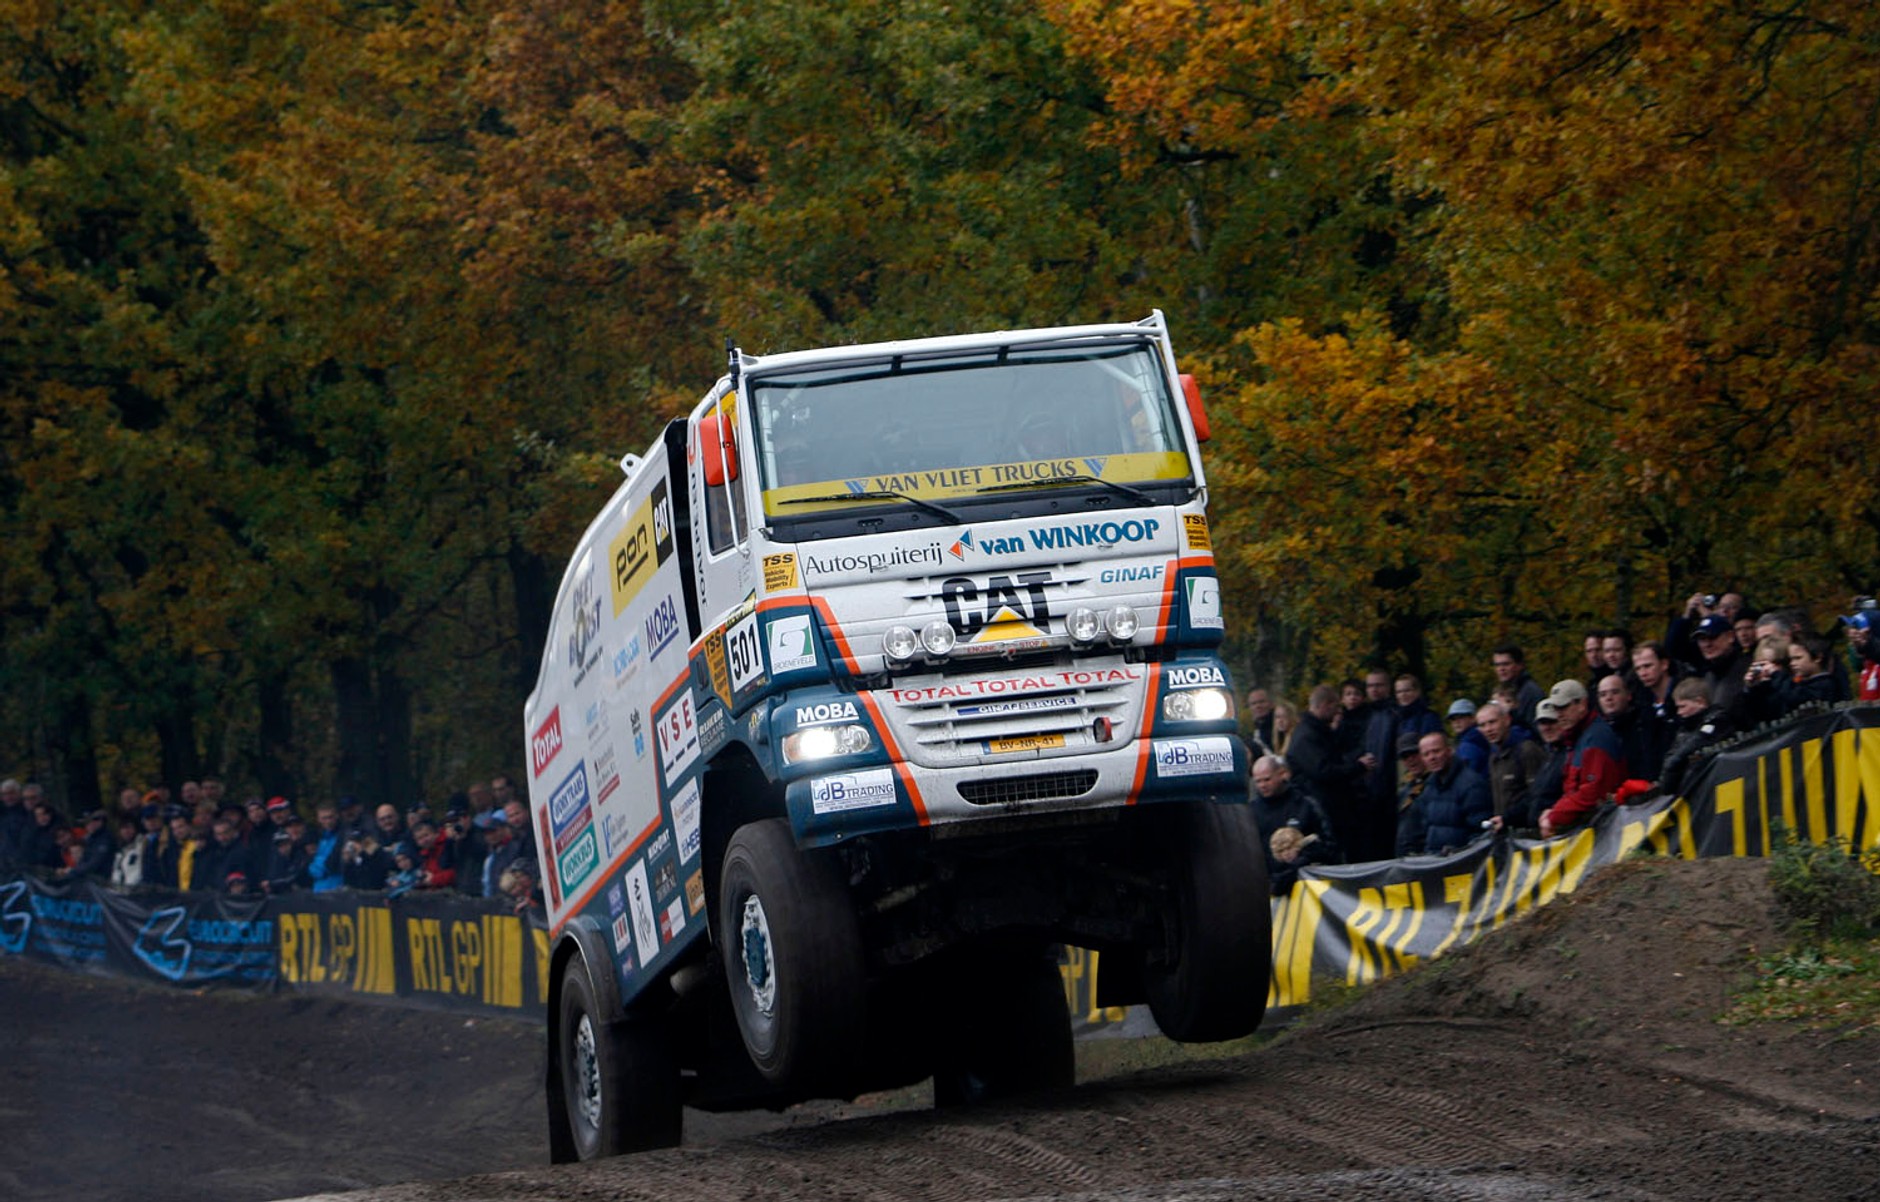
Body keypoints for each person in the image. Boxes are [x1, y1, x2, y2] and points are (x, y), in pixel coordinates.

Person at [1537, 680, 1628, 838]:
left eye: (1564, 707)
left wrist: (1554, 815)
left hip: (1606, 832)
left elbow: (1593, 793)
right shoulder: (1578, 738)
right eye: (1556, 709)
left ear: (1582, 704)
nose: (1559, 714)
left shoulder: (1596, 738)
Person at [1286, 685, 1368, 854]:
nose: (1338, 711)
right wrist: (1358, 767)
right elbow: (1323, 771)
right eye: (1336, 706)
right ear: (1324, 704)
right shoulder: (1307, 736)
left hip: (1329, 805)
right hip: (1322, 807)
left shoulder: (1317, 732)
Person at [1248, 755, 1342, 893]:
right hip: (1267, 888)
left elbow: (1330, 847)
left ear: (1282, 774)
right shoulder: (1251, 812)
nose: (1262, 785)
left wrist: (1302, 857)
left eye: (1267, 779)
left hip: (1305, 888)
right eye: (1258, 781)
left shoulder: (1305, 805)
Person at [1398, 732, 1493, 857]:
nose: (1432, 757)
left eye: (1436, 751)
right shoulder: (1429, 787)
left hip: (1463, 864)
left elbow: (1481, 834)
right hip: (1433, 863)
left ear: (1449, 751)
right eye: (1426, 754)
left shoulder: (1472, 785)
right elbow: (1422, 829)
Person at [1477, 701, 1548, 829]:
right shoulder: (1494, 757)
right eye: (1482, 725)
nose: (1488, 729)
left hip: (1529, 831)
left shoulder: (1527, 750)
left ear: (1507, 720)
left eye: (1492, 722)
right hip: (1506, 831)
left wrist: (1509, 818)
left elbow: (1538, 794)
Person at [1489, 644, 1545, 732]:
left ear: (1520, 665)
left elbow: (1536, 730)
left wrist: (1509, 712)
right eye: (1497, 665)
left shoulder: (1531, 692)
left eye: (1506, 664)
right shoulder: (1502, 691)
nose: (1501, 669)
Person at [306, 801, 348, 893]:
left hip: (337, 888)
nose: (328, 821)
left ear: (337, 816)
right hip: (318, 889)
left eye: (330, 817)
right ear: (318, 819)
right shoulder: (317, 837)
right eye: (324, 818)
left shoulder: (343, 835)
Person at [1446, 699, 1490, 773]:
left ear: (1472, 718)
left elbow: (1468, 774)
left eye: (1460, 717)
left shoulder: (1470, 743)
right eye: (1453, 719)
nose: (1456, 722)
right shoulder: (1464, 740)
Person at [1245, 687, 1276, 755]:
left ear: (1271, 703)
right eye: (1253, 703)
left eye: (1262, 702)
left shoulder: (1279, 727)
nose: (1258, 706)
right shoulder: (1249, 733)